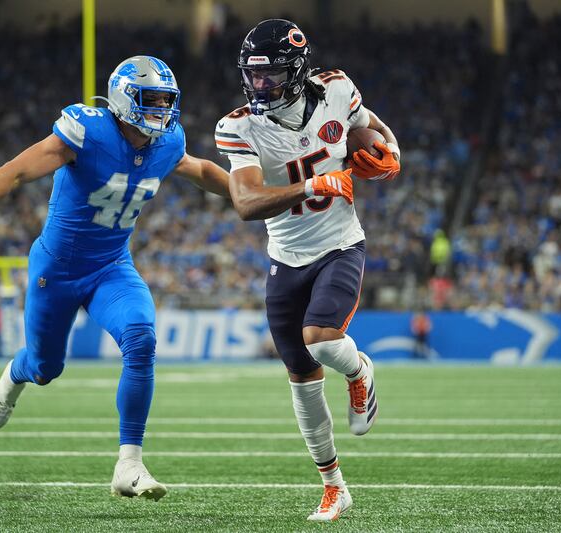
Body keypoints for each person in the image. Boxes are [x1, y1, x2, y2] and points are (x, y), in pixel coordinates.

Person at [0, 56, 230, 502]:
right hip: (57, 270)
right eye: (151, 100)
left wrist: (245, 193)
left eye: (167, 100)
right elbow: (23, 167)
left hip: (110, 267)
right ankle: (14, 375)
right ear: (123, 99)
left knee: (141, 337)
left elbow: (197, 169)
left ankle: (129, 463)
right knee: (46, 368)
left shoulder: (167, 142)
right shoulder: (89, 130)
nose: (162, 110)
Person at [216, 19, 401, 521]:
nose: (259, 85)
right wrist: (311, 187)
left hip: (340, 245)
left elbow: (370, 126)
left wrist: (390, 151)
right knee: (301, 375)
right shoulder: (237, 126)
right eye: (252, 76)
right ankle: (334, 487)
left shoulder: (337, 88)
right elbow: (247, 203)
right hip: (285, 258)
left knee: (321, 340)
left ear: (297, 71)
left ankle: (360, 370)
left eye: (270, 75)